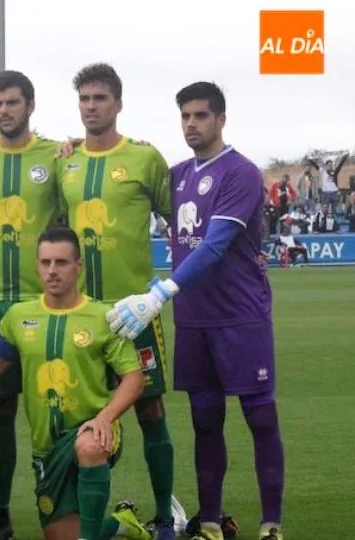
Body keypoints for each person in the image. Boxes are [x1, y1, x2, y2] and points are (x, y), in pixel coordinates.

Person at [106, 81, 285, 540]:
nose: (191, 124)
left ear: (221, 119)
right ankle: (208, 521)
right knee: (206, 422)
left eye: (201, 115)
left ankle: (271, 524)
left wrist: (161, 292)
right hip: (195, 319)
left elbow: (216, 244)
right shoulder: (178, 173)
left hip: (241, 317)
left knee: (260, 419)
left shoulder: (241, 173)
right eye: (185, 116)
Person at [55, 63, 179, 539]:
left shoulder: (145, 159)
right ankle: (88, 519)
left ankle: (165, 517)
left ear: (118, 104)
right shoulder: (65, 161)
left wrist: (166, 284)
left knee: (150, 412)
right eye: (85, 99)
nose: (91, 107)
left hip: (137, 313)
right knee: (78, 411)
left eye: (100, 99)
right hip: (83, 312)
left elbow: (180, 222)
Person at [0, 226, 150, 540]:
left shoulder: (104, 317)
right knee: (59, 534)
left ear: (79, 266)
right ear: (36, 265)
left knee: (89, 446)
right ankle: (122, 523)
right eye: (45, 262)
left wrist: (105, 417)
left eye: (61, 262)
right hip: (46, 447)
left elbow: (134, 378)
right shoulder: (19, 317)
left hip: (94, 427)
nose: (52, 271)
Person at [0, 70, 61, 540]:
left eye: (13, 102)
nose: (5, 111)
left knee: (53, 407)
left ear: (30, 105)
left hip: (44, 302)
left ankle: (60, 503)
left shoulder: (57, 156)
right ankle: (0, 512)